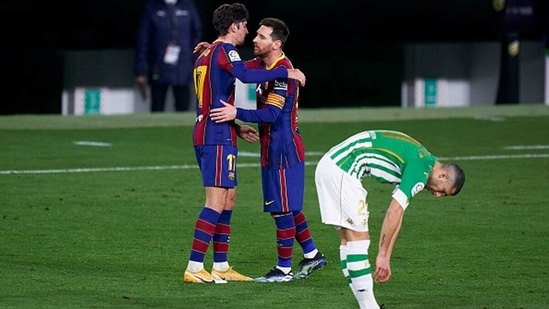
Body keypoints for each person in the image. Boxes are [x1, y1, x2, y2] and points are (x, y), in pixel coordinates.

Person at [183, 3, 307, 284]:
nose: (248, 32)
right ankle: (194, 266)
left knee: (228, 199)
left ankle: (222, 266)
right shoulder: (224, 50)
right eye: (245, 26)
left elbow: (211, 95)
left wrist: (235, 126)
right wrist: (284, 72)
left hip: (220, 131)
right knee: (215, 202)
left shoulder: (206, 53)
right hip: (214, 135)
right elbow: (246, 75)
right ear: (233, 27)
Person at [209, 17, 327, 283]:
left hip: (283, 149)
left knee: (283, 209)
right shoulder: (266, 66)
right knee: (287, 207)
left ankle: (283, 270)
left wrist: (235, 113)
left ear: (276, 43)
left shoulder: (283, 72)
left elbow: (272, 113)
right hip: (271, 147)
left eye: (261, 36)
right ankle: (312, 254)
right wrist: (214, 49)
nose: (254, 39)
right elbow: (237, 69)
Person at [314, 130, 466, 308]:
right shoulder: (421, 169)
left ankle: (368, 306)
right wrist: (382, 255)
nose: (438, 196)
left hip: (332, 166)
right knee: (359, 241)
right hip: (342, 171)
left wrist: (386, 255)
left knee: (349, 241)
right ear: (443, 176)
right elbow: (393, 211)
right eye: (443, 191)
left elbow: (398, 213)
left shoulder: (422, 158)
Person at [134, 0, 202, 112]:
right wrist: (140, 70)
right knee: (157, 107)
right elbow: (143, 41)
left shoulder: (188, 6)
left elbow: (196, 37)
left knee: (183, 106)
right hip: (158, 66)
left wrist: (196, 63)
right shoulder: (152, 7)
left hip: (183, 67)